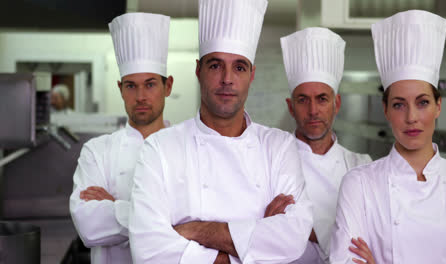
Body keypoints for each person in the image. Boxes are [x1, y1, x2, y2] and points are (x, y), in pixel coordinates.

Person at [128, 0, 314, 263]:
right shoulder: (160, 148)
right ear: (198, 71)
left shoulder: (278, 146)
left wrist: (195, 230)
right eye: (215, 65)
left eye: (239, 67)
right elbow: (148, 250)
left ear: (251, 75)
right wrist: (255, 237)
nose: (227, 78)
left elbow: (293, 238)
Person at [329, 10, 446, 264]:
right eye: (399, 104)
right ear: (386, 110)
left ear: (439, 105)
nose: (411, 117)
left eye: (423, 102)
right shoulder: (359, 185)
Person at [69, 13, 173, 264]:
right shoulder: (96, 151)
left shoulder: (188, 145)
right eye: (130, 85)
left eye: (150, 84)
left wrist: (115, 206)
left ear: (167, 86)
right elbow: (88, 226)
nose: (140, 96)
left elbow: (200, 220)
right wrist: (166, 220)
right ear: (120, 88)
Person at [281, 27, 372, 264]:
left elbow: (370, 240)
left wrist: (296, 223)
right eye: (303, 100)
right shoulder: (272, 161)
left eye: (322, 99)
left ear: (337, 103)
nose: (313, 111)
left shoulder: (361, 166)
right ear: (291, 107)